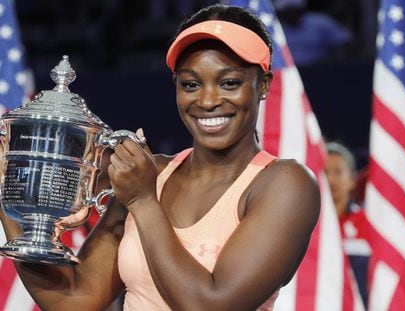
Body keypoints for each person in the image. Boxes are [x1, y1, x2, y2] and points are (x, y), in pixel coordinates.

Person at [0, 4, 320, 310]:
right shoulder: (152, 173)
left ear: (263, 85)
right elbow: (75, 300)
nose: (207, 100)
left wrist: (143, 201)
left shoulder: (286, 184)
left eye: (229, 83)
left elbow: (211, 305)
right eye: (191, 84)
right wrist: (6, 189)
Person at [324, 141, 370, 308]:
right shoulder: (305, 224)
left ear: (352, 180)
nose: (330, 178)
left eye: (338, 172)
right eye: (324, 171)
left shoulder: (367, 224)